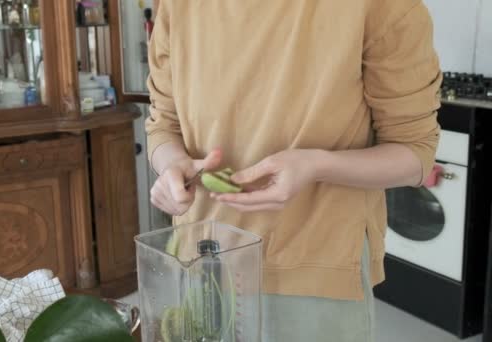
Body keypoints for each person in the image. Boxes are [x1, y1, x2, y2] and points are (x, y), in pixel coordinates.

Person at [145, 0, 441, 341]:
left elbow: (415, 153)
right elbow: (163, 124)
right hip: (203, 260)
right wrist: (171, 165)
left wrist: (316, 166)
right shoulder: (177, 6)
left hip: (313, 273)